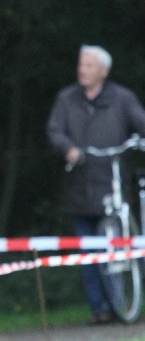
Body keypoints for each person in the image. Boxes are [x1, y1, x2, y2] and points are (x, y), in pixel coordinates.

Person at [47, 45, 145, 324]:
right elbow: (54, 131)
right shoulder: (66, 99)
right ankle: (100, 308)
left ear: (104, 71)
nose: (83, 70)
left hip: (113, 185)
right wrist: (68, 149)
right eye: (81, 65)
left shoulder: (122, 99)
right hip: (80, 186)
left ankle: (125, 300)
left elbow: (141, 122)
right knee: (88, 252)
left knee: (120, 243)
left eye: (89, 65)